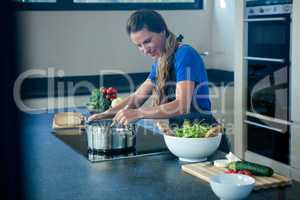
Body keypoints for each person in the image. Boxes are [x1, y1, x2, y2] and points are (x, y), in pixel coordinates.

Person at [88, 9, 217, 127]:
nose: (144, 50)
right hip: (180, 136)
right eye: (139, 45)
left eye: (147, 41)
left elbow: (182, 106)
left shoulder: (185, 55)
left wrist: (138, 113)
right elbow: (137, 97)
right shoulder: (161, 62)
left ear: (162, 31)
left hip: (204, 136)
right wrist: (107, 113)